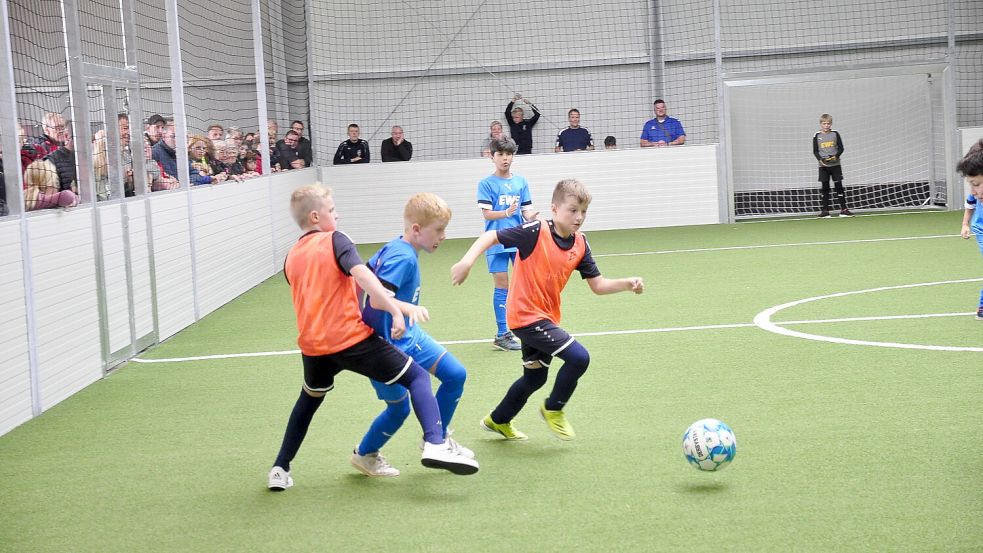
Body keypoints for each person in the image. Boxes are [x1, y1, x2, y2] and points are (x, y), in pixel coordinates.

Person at [267, 184, 478, 491]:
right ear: (316, 216)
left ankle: (279, 468)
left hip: (313, 346)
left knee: (308, 403)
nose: (337, 215)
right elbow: (363, 277)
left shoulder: (291, 256)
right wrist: (395, 309)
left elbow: (331, 287)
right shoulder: (337, 240)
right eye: (332, 210)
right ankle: (433, 442)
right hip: (351, 338)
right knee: (417, 380)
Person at [451, 178, 644, 441]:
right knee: (579, 358)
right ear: (554, 209)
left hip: (545, 317)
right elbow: (491, 235)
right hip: (524, 316)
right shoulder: (535, 231)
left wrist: (626, 283)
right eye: (573, 210)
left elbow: (598, 285)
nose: (579, 217)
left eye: (584, 211)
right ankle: (553, 408)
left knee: (535, 379)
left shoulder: (580, 244)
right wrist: (466, 262)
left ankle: (498, 420)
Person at [353, 193, 472, 477]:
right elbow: (376, 299)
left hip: (409, 335)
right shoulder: (402, 256)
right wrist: (405, 309)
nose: (443, 237)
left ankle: (436, 438)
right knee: (398, 410)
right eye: (438, 230)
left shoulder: (397, 246)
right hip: (384, 347)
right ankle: (365, 454)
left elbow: (361, 278)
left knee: (455, 374)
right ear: (417, 229)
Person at [476, 137, 538, 351]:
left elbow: (526, 209)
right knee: (502, 286)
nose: (505, 158)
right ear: (492, 157)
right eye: (500, 154)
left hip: (518, 239)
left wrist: (532, 217)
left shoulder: (521, 182)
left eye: (508, 154)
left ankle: (528, 329)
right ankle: (502, 334)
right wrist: (505, 213)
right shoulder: (486, 184)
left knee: (524, 285)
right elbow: (487, 213)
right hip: (495, 240)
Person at [957, 139, 983, 321]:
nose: (973, 191)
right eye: (971, 184)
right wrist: (965, 224)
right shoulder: (976, 196)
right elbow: (970, 204)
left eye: (976, 184)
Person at [812, 114, 852, 218]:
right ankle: (825, 211)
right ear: (821, 124)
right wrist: (820, 160)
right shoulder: (817, 135)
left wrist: (836, 156)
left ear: (831, 124)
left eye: (828, 123)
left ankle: (844, 210)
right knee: (825, 188)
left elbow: (841, 148)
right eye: (824, 123)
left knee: (839, 187)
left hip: (835, 165)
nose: (826, 125)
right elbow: (815, 151)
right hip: (823, 166)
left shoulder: (835, 134)